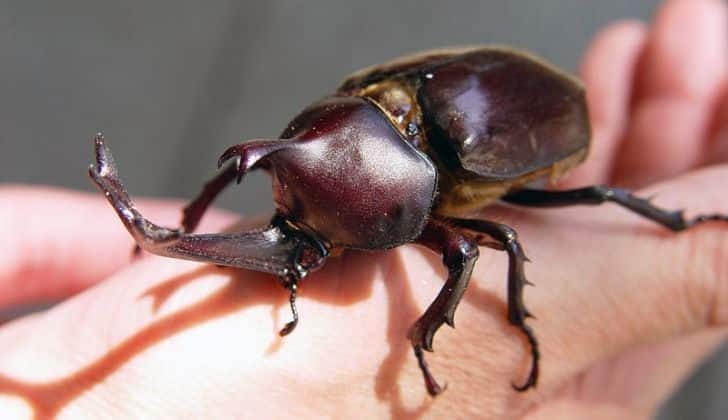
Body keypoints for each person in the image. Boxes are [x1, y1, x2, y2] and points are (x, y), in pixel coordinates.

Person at [0, 0, 726, 418]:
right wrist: (178, 231)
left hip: (536, 122)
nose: (291, 249)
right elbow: (284, 158)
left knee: (524, 226)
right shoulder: (352, 110)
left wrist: (485, 327)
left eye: (305, 247)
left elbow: (472, 248)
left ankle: (681, 228)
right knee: (259, 157)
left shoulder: (455, 167)